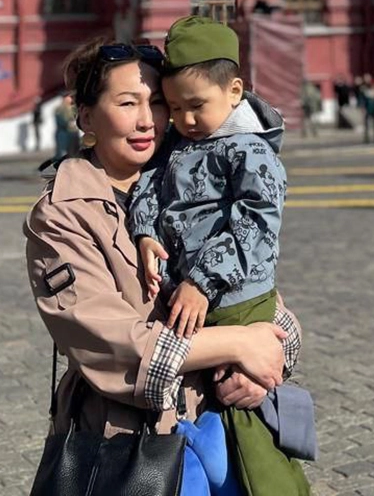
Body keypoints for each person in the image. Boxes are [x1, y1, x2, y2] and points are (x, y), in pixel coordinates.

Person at [24, 37, 302, 479]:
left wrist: (269, 358)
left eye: (156, 102)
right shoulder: (63, 213)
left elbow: (260, 289)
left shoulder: (190, 178)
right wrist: (239, 344)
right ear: (85, 115)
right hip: (131, 446)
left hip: (222, 420)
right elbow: (111, 344)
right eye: (127, 102)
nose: (145, 121)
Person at [129, 16, 309, 494]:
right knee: (219, 407)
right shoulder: (179, 144)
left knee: (246, 408)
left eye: (196, 106)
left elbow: (257, 222)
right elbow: (149, 185)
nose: (185, 119)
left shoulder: (249, 150)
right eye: (174, 107)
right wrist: (146, 233)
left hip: (236, 294)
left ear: (234, 91)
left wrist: (202, 280)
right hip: (197, 297)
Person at [53, 93, 79, 159]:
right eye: (68, 97)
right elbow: (59, 120)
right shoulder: (59, 109)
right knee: (62, 153)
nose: (70, 99)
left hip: (73, 133)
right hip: (63, 133)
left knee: (74, 152)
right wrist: (68, 123)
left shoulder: (73, 108)